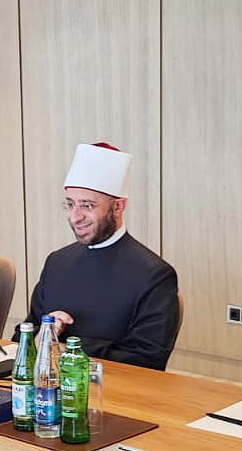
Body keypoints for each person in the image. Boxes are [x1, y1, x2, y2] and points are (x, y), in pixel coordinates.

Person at [20, 142, 179, 370]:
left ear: (118, 207)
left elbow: (147, 360)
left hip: (113, 386)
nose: (74, 217)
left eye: (87, 205)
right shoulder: (57, 262)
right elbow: (24, 335)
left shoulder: (155, 275)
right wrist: (44, 334)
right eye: (70, 204)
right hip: (47, 383)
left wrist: (67, 349)